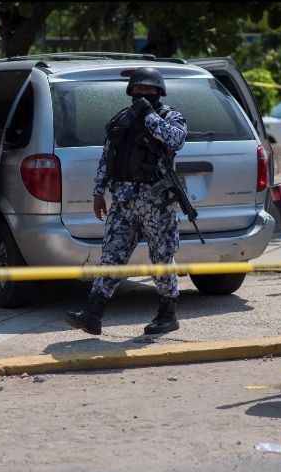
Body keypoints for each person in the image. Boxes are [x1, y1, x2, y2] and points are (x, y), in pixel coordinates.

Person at [64, 67, 188, 336]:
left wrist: (149, 116)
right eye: (137, 90)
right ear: (131, 92)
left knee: (162, 258)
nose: (142, 94)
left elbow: (176, 140)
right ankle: (93, 314)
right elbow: (107, 157)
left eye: (149, 90)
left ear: (159, 91)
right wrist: (99, 192)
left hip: (157, 203)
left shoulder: (170, 116)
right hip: (123, 201)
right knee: (111, 257)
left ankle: (168, 314)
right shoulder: (122, 119)